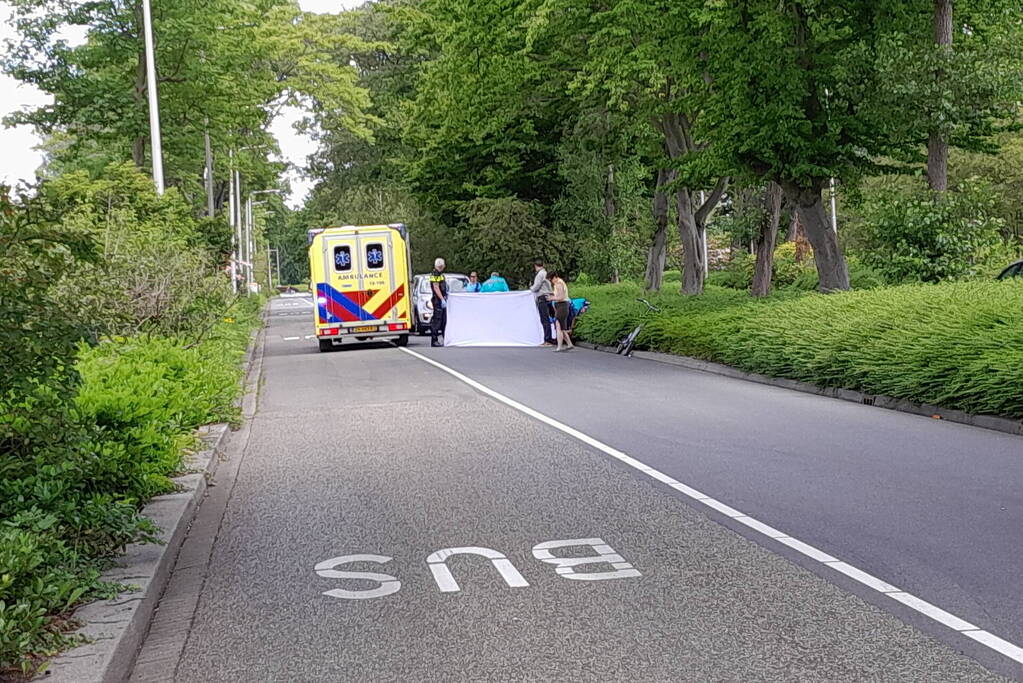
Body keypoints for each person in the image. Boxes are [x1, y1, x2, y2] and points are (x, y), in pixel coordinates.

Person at [529, 259, 554, 346]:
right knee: (549, 318)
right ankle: (551, 338)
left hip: (542, 297)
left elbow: (536, 286)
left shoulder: (540, 275)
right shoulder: (545, 273)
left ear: (536, 266)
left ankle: (547, 340)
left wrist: (530, 289)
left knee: (544, 319)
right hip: (549, 296)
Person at [549, 271, 575, 351]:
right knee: (561, 327)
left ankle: (559, 346)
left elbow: (561, 297)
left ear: (554, 278)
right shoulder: (559, 283)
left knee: (558, 326)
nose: (551, 282)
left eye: (551, 280)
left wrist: (552, 298)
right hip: (561, 305)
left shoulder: (559, 284)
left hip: (562, 305)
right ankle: (569, 344)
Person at [429, 258, 448, 347]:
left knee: (443, 320)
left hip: (440, 299)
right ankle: (434, 340)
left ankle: (445, 338)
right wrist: (442, 299)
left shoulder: (439, 274)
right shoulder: (435, 274)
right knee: (437, 320)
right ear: (441, 266)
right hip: (437, 300)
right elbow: (436, 287)